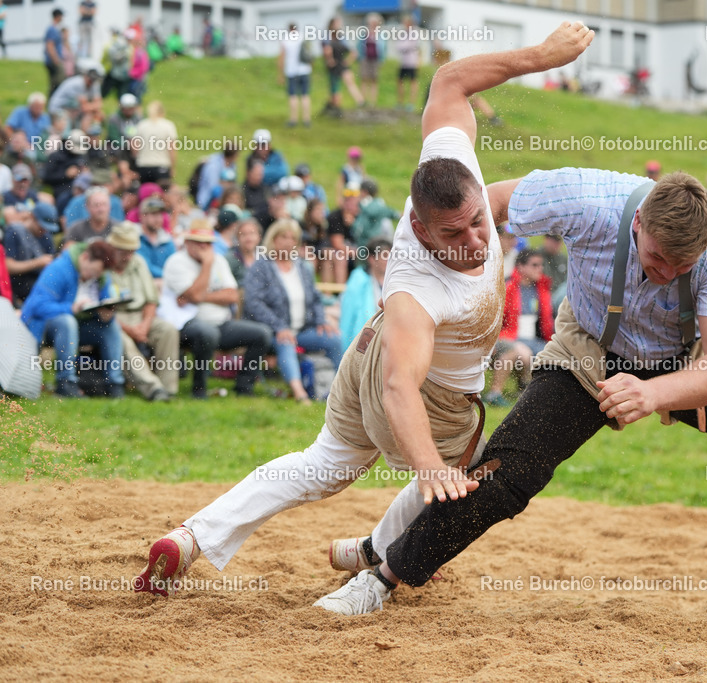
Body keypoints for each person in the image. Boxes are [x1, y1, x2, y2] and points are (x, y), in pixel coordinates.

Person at [325, 165, 707, 614]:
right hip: (591, 347)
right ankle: (384, 576)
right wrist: (431, 278)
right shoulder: (586, 197)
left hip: (690, 360)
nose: (664, 274)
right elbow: (483, 209)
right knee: (510, 470)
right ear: (641, 221)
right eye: (655, 259)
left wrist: (655, 394)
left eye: (681, 268)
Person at [132, 22, 596, 607]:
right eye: (456, 234)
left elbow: (449, 80)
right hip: (417, 389)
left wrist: (542, 57)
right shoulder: (416, 289)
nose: (479, 241)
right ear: (419, 229)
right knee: (474, 462)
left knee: (321, 464)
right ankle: (377, 556)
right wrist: (428, 468)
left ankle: (191, 537)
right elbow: (401, 387)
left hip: (366, 356)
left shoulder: (449, 164)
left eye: (481, 220)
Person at [157, 219, 272, 399]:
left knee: (262, 334)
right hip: (186, 324)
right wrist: (207, 265)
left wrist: (199, 295)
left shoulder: (219, 260)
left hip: (221, 323)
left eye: (208, 243)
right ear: (188, 242)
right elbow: (195, 295)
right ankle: (199, 389)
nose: (205, 247)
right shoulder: (177, 262)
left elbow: (232, 295)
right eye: (199, 242)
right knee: (207, 333)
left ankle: (244, 387)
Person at [242, 219, 342, 403]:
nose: (288, 242)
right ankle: (300, 394)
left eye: (293, 238)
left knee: (334, 339)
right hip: (272, 331)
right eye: (283, 237)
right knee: (286, 341)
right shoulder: (261, 267)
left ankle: (339, 392)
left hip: (303, 329)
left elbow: (315, 298)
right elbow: (253, 303)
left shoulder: (302, 267)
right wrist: (279, 326)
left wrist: (321, 320)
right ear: (273, 239)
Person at [21, 240, 124, 398]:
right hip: (45, 326)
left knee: (112, 327)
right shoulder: (59, 269)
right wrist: (70, 308)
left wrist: (107, 316)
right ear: (84, 258)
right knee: (67, 321)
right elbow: (37, 307)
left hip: (80, 326)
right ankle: (66, 383)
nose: (95, 276)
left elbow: (105, 302)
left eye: (99, 274)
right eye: (93, 272)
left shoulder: (102, 276)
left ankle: (114, 385)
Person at [107, 221, 178, 401]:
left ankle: (168, 388)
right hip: (113, 318)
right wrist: (130, 330)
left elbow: (151, 300)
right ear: (112, 248)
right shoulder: (103, 267)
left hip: (141, 315)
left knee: (168, 330)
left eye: (131, 251)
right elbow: (103, 309)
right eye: (123, 251)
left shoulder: (138, 262)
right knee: (122, 340)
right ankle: (152, 388)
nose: (127, 256)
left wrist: (144, 325)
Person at [484, 248, 554, 407]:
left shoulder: (542, 288)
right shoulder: (507, 286)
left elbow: (547, 323)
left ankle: (532, 393)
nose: (540, 269)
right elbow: (493, 319)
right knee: (523, 353)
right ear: (521, 267)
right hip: (507, 337)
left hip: (534, 339)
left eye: (541, 265)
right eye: (535, 265)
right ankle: (495, 394)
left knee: (555, 354)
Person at [338, 236, 390, 350]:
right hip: (363, 340)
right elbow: (348, 317)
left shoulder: (393, 281)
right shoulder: (358, 280)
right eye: (385, 256)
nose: (389, 260)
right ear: (372, 259)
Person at [4, 203, 60, 307]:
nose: (44, 230)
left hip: (40, 283)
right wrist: (37, 263)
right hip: (17, 285)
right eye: (41, 226)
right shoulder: (14, 232)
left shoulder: (46, 236)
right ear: (32, 217)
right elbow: (8, 266)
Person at [322, 16, 364, 117]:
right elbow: (327, 51)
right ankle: (336, 106)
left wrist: (346, 61)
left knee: (344, 84)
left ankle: (359, 102)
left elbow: (352, 52)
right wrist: (330, 60)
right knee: (336, 88)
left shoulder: (339, 37)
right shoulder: (329, 37)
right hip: (337, 65)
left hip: (339, 64)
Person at [133, 100, 177, 187]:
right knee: (162, 194)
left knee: (144, 193)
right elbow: (172, 149)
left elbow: (135, 148)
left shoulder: (141, 125)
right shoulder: (168, 126)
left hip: (144, 166)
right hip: (161, 166)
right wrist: (173, 167)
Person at [279, 23, 313, 128]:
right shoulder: (303, 37)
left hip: (291, 71)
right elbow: (309, 53)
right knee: (305, 95)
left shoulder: (286, 40)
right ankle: (306, 120)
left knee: (292, 96)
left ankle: (293, 120)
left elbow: (282, 56)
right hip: (305, 70)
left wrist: (280, 74)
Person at [136, 195, 174, 280]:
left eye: (160, 214)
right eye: (154, 214)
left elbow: (174, 264)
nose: (158, 219)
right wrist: (168, 276)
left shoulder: (167, 240)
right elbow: (144, 267)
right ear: (143, 216)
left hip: (165, 285)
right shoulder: (135, 237)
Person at [357, 13, 385, 108]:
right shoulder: (364, 33)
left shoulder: (380, 34)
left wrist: (382, 59)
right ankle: (363, 101)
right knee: (364, 79)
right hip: (365, 58)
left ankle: (373, 102)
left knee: (374, 80)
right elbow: (359, 46)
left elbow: (384, 48)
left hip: (376, 59)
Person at [395, 15, 421, 112]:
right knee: (400, 81)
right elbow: (399, 46)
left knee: (413, 82)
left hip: (412, 62)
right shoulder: (403, 33)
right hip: (403, 62)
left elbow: (410, 45)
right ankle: (400, 102)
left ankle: (411, 103)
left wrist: (404, 46)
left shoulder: (414, 33)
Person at [226, 217, 261, 285]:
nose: (248, 238)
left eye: (252, 233)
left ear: (259, 237)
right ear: (237, 238)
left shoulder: (264, 257)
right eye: (243, 234)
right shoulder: (229, 259)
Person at [541, 233, 568, 312]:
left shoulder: (563, 258)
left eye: (558, 241)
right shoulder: (537, 256)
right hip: (544, 295)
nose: (556, 244)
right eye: (553, 240)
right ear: (546, 240)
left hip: (560, 295)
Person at [44, 9, 67, 95]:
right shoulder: (52, 29)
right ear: (58, 16)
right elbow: (50, 45)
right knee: (58, 83)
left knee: (55, 83)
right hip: (54, 61)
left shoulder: (53, 28)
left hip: (54, 60)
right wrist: (56, 60)